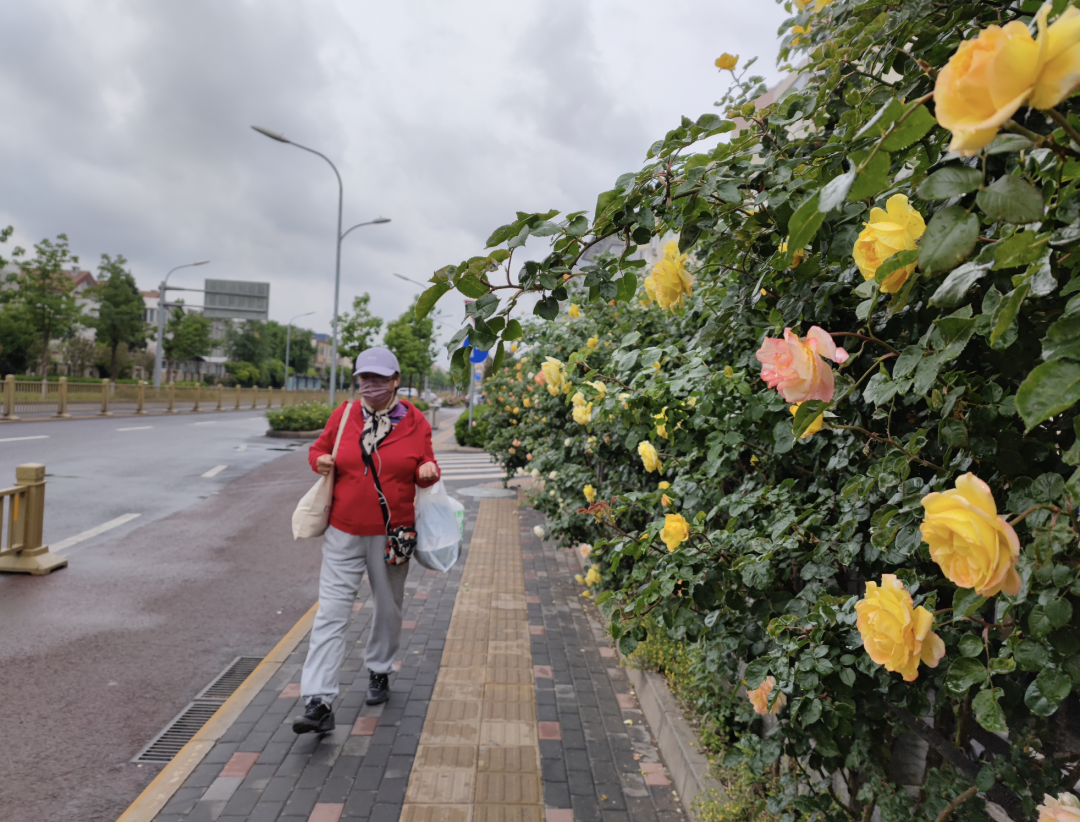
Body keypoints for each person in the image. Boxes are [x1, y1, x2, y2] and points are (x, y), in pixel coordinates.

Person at [292, 347, 440, 734]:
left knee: (388, 607)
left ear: (395, 380)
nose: (369, 386)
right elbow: (319, 449)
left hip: (393, 534)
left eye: (378, 379)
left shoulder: (414, 421)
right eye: (364, 378)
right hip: (343, 529)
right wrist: (319, 461)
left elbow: (428, 464)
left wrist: (427, 471)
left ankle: (379, 668)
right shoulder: (344, 415)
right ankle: (318, 700)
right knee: (331, 612)